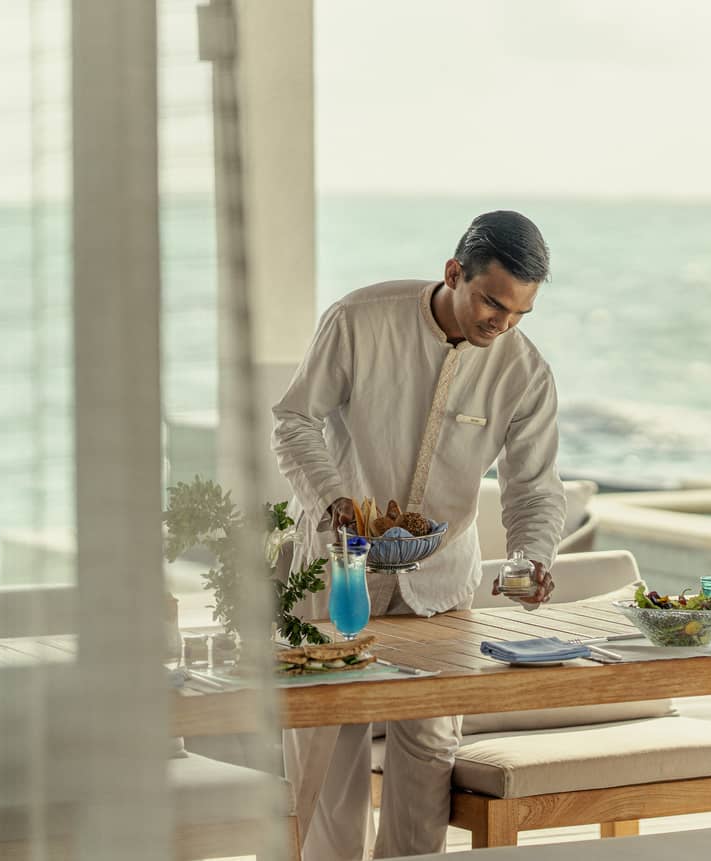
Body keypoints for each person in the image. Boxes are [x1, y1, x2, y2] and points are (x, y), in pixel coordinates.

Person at [272, 210, 566, 859]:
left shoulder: (523, 371)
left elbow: (535, 488)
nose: (503, 323)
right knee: (328, 771)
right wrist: (335, 503)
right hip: (337, 578)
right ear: (454, 272)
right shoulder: (359, 320)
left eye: (520, 313)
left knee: (428, 764)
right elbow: (294, 420)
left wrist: (532, 556)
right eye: (493, 302)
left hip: (440, 592)